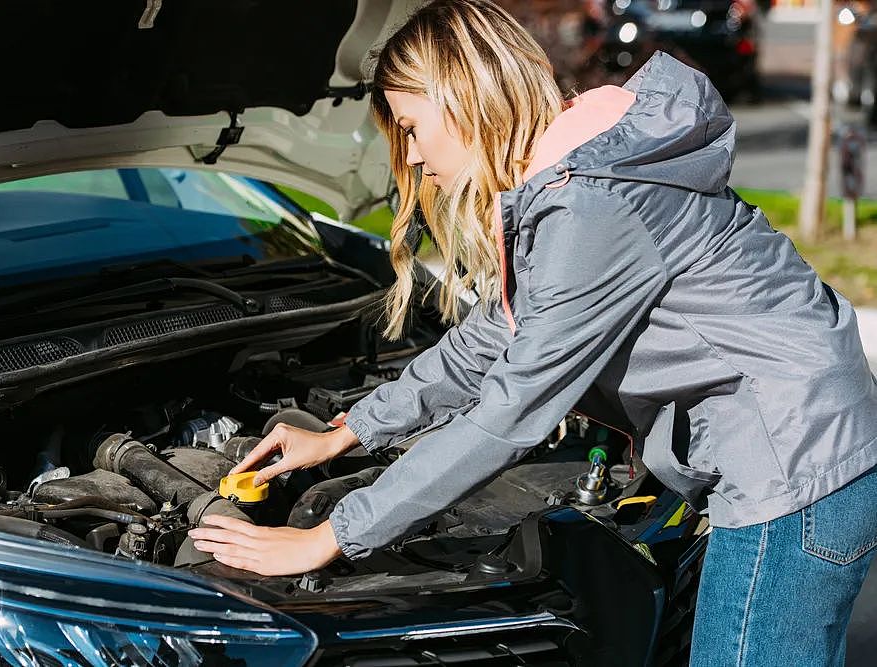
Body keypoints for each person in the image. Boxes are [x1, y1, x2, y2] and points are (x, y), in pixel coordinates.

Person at [188, 1, 877, 664]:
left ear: (461, 96)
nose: (413, 155)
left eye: (410, 125)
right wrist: (349, 429)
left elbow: (509, 414)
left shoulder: (589, 202)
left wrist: (329, 536)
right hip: (806, 446)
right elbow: (493, 334)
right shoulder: (579, 169)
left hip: (791, 471)